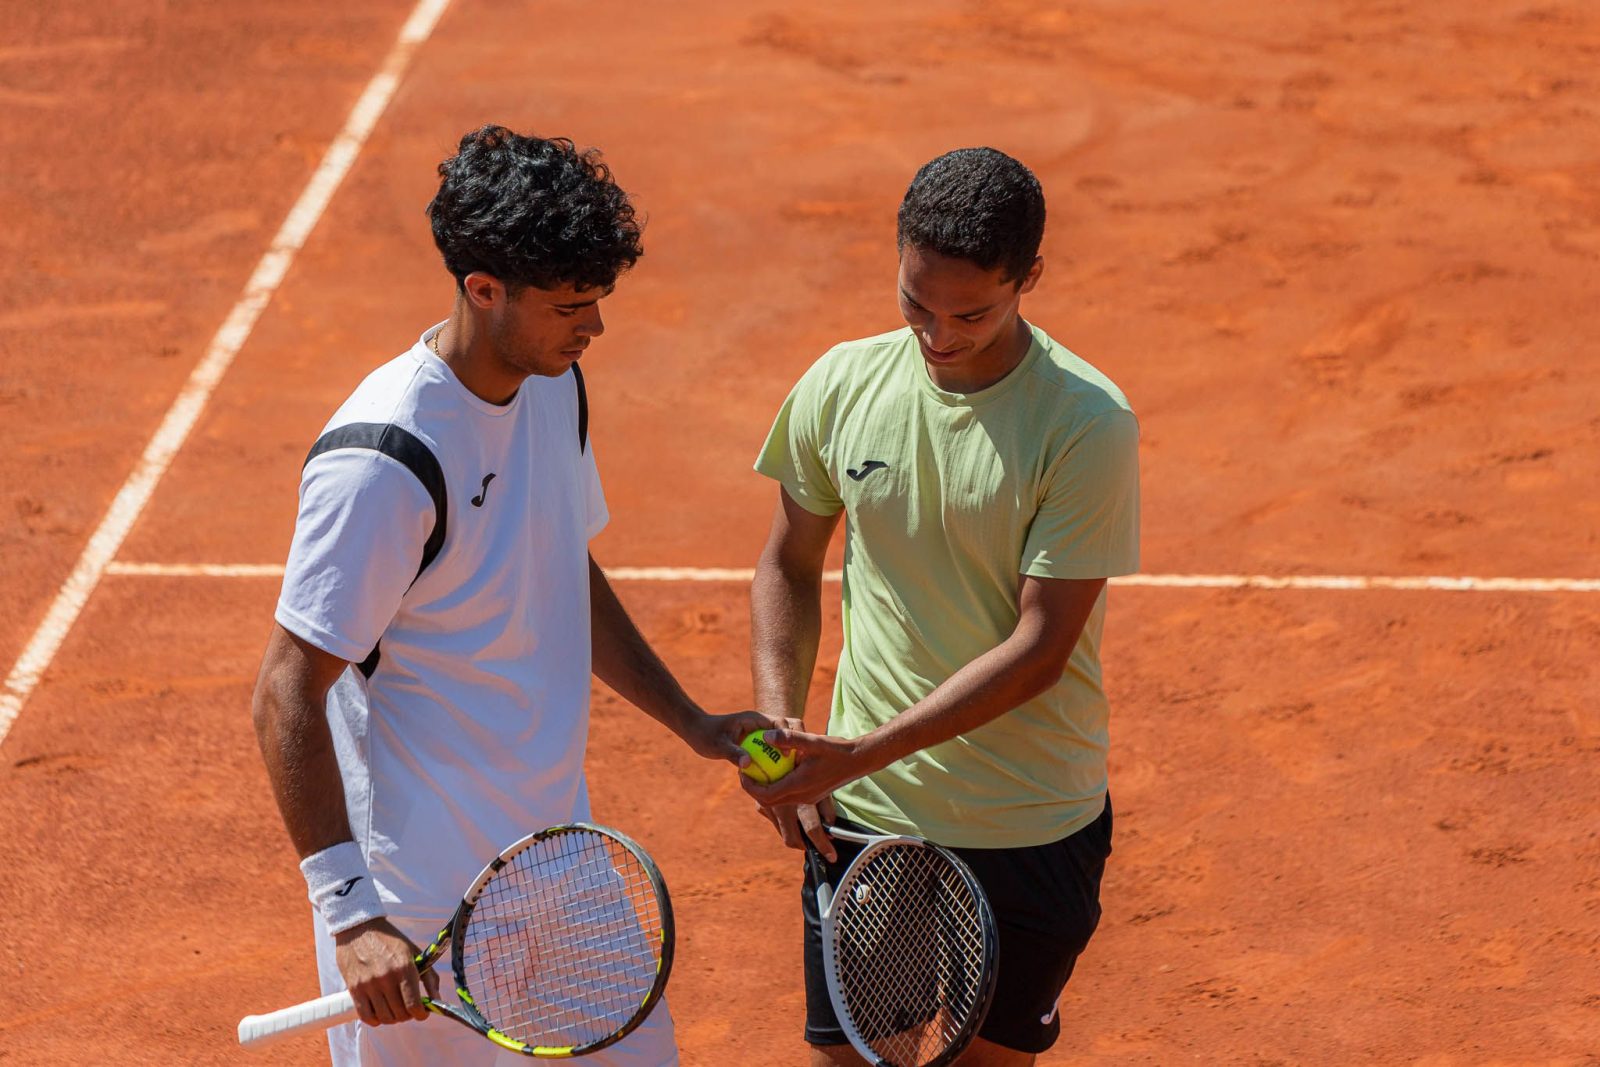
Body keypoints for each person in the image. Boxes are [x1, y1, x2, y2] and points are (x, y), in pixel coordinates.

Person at [251, 124, 773, 1067]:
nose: (595, 326)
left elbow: (558, 563)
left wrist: (688, 719)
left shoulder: (553, 385)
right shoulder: (384, 459)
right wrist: (352, 912)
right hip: (416, 899)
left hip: (557, 859)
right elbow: (287, 687)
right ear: (483, 289)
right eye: (573, 304)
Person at [743, 147, 1140, 1066]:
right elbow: (786, 564)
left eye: (972, 312)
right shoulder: (842, 385)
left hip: (1029, 820)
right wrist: (779, 725)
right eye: (916, 303)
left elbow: (1042, 646)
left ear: (1028, 278)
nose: (938, 333)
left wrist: (856, 752)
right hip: (870, 817)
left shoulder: (1085, 423)